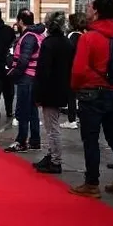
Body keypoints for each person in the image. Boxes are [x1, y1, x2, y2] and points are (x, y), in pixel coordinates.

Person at [69, 0, 113, 199]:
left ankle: (92, 183)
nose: (86, 8)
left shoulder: (89, 38)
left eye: (89, 6)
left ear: (96, 12)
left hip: (91, 93)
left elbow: (78, 71)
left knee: (91, 139)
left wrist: (74, 87)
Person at [33, 11, 73, 174]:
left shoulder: (49, 43)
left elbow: (43, 71)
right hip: (62, 87)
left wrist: (37, 94)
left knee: (52, 127)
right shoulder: (67, 43)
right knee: (52, 125)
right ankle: (51, 155)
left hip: (50, 90)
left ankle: (55, 159)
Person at [4, 9, 45, 152]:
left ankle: (21, 141)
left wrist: (14, 73)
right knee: (32, 110)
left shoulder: (28, 37)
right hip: (33, 75)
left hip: (26, 77)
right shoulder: (38, 35)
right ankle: (34, 140)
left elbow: (24, 59)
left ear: (20, 21)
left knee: (23, 110)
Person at [62, 12, 87, 130]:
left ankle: (72, 120)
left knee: (71, 95)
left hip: (71, 69)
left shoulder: (71, 36)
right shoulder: (85, 35)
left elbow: (67, 53)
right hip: (84, 69)